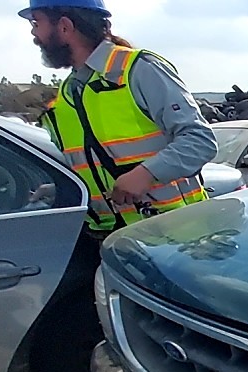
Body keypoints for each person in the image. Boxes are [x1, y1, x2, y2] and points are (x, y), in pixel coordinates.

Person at [20, 0, 216, 239]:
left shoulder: (139, 69)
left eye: (36, 22)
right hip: (116, 240)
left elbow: (200, 141)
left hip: (180, 236)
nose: (33, 32)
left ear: (64, 26)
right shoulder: (69, 91)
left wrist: (146, 174)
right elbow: (96, 165)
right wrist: (63, 187)